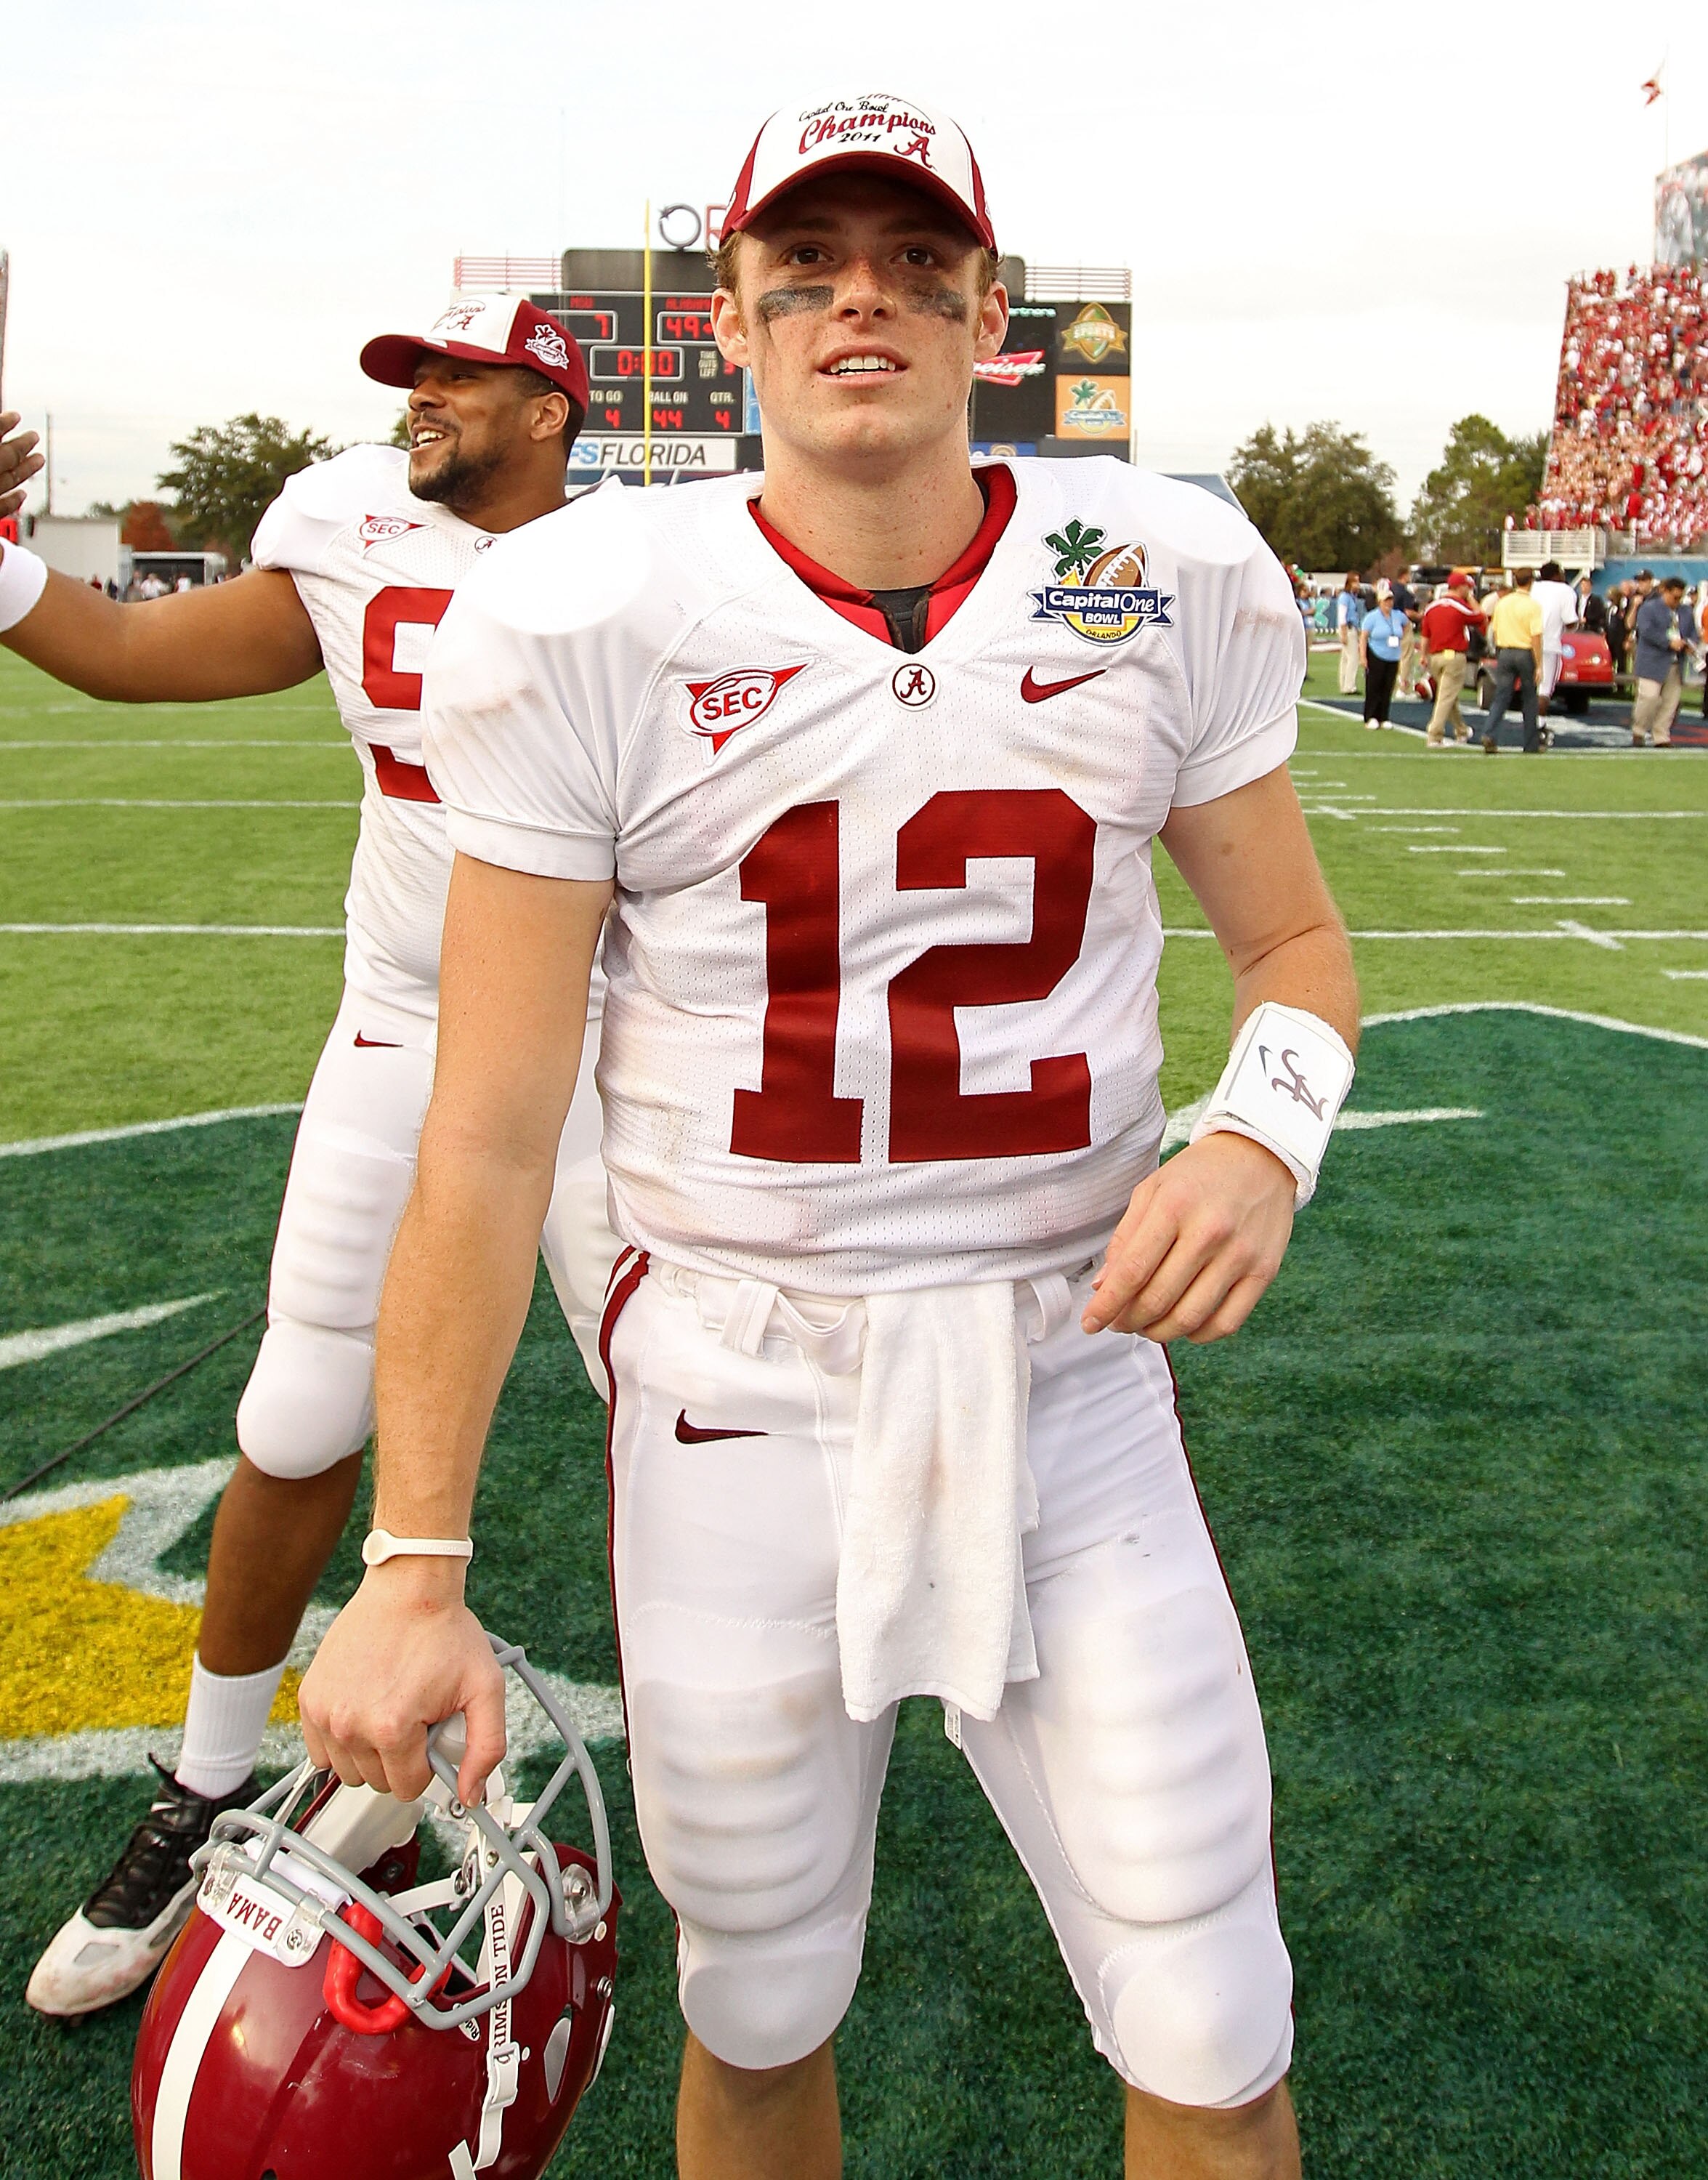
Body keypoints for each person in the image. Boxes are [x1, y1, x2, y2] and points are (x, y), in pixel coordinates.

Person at [299, 90, 1361, 2180]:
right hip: (734, 1393)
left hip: (1070, 1378)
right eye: (808, 259)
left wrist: (1256, 1138)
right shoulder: (589, 609)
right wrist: (413, 1559)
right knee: (759, 1987)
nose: (855, 294)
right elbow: (490, 1134)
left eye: (908, 259)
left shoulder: (1155, 570)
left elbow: (1300, 950)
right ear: (736, 314)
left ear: (988, 311)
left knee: (1212, 2011)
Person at [0, 293, 621, 2019]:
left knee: (687, 1423)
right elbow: (132, 654)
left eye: (454, 378)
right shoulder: (347, 526)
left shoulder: (658, 562)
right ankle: (202, 1785)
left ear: (552, 408)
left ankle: (751, 1803)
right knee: (289, 1422)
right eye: (407, 378)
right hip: (405, 1032)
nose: (417, 402)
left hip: (617, 1049)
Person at [1418, 569, 1486, 746]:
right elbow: (1480, 616)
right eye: (1467, 588)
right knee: (1446, 697)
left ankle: (1461, 730)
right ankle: (1435, 734)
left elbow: (1425, 635)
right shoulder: (1459, 606)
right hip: (1454, 656)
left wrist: (1423, 655)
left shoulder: (1431, 607)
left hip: (1435, 656)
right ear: (1460, 587)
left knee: (1448, 696)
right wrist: (1471, 600)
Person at [1482, 564, 1545, 754]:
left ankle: (1490, 732)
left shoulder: (1503, 603)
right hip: (1524, 652)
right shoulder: (1533, 606)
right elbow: (1536, 637)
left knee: (1502, 695)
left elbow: (1495, 629)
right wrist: (1539, 664)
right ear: (1531, 582)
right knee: (1529, 698)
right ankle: (1530, 743)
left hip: (1505, 651)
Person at [1631, 575, 1699, 747]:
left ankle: (1661, 736)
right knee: (1649, 698)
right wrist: (1668, 643)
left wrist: (1690, 644)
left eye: (1680, 597)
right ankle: (1639, 730)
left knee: (1670, 702)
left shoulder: (1686, 611)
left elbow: (1693, 634)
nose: (1677, 601)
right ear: (1664, 591)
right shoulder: (1649, 608)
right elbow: (1646, 631)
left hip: (1676, 664)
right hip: (1652, 661)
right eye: (1674, 597)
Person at [1531, 558, 1579, 717]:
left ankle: (1528, 726)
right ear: (1556, 574)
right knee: (1544, 690)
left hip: (1525, 642)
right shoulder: (1565, 591)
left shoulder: (1533, 588)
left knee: (1526, 687)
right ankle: (1539, 726)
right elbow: (1570, 621)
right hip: (1549, 643)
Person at [1359, 578, 1407, 729]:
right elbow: (1364, 637)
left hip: (1393, 656)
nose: (1389, 603)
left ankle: (1384, 716)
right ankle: (1370, 716)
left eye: (1391, 600)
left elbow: (1406, 626)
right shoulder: (1372, 617)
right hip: (1376, 654)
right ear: (1380, 601)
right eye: (1386, 600)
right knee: (1374, 687)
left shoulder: (1397, 616)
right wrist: (1363, 656)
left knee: (1388, 687)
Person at [1391, 570, 1421, 696]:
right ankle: (1403, 687)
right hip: (1403, 626)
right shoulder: (1405, 592)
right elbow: (1408, 612)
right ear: (1404, 575)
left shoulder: (1391, 589)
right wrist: (1420, 616)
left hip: (1390, 625)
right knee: (1406, 657)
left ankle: (1392, 686)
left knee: (1392, 657)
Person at [1336, 569, 1363, 693]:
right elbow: (1342, 615)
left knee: (1346, 658)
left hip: (1352, 628)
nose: (1358, 584)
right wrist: (1344, 633)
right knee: (1353, 658)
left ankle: (1344, 684)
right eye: (1356, 582)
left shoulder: (1352, 597)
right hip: (1348, 628)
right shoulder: (1345, 597)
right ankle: (1349, 686)